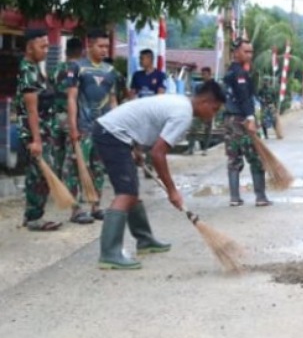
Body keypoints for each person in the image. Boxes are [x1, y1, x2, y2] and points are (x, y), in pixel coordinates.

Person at [93, 81, 226, 269]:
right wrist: (172, 191)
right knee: (126, 193)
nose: (213, 115)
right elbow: (158, 154)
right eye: (214, 109)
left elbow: (142, 120)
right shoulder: (183, 114)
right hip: (112, 134)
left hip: (115, 133)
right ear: (205, 102)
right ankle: (109, 254)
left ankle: (145, 241)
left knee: (131, 190)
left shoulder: (180, 103)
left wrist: (135, 148)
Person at [66, 29, 119, 222]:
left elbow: (113, 101)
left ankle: (96, 206)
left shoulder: (111, 71)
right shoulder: (77, 68)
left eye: (106, 46)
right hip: (83, 128)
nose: (104, 50)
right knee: (76, 167)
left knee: (98, 167)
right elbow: (71, 98)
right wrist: (73, 127)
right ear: (89, 45)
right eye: (100, 46)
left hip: (102, 129)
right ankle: (76, 209)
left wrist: (116, 127)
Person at [16, 29, 62, 231]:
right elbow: (31, 110)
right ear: (29, 47)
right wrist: (36, 140)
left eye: (47, 46)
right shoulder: (28, 71)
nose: (46, 50)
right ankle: (34, 218)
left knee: (40, 172)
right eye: (42, 46)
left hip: (44, 130)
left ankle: (32, 215)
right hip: (34, 132)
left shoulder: (36, 68)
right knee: (39, 174)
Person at [49, 38, 95, 224]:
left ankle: (64, 197)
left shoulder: (56, 70)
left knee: (59, 162)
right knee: (74, 163)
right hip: (73, 121)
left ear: (66, 51)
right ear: (82, 51)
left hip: (56, 120)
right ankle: (76, 208)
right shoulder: (81, 71)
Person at [223, 38, 271, 207]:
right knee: (256, 157)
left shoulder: (229, 72)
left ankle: (234, 198)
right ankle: (260, 197)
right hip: (240, 121)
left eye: (251, 52)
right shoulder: (240, 74)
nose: (249, 55)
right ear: (236, 53)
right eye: (246, 51)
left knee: (233, 158)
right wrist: (250, 118)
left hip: (229, 120)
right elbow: (244, 97)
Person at [187, 67, 215, 155]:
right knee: (193, 128)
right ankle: (190, 148)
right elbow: (195, 97)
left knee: (207, 130)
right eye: (202, 74)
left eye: (205, 74)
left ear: (209, 75)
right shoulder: (199, 86)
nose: (203, 76)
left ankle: (205, 149)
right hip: (199, 110)